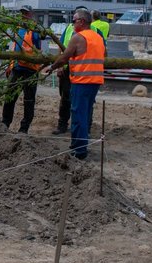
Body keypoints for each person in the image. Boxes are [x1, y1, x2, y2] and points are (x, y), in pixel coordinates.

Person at [42, 9, 105, 160]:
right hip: (95, 82)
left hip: (81, 81)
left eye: (74, 20)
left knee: (78, 116)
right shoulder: (97, 37)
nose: (72, 23)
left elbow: (64, 58)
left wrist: (51, 68)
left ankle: (80, 151)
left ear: (82, 21)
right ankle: (76, 145)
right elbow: (103, 55)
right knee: (85, 113)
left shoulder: (78, 37)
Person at [1, 5, 42, 134]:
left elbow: (37, 49)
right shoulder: (18, 28)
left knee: (28, 100)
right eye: (22, 13)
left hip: (30, 69)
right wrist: (10, 65)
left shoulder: (34, 29)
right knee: (9, 97)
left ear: (31, 14)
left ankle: (24, 128)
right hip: (17, 68)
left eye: (26, 13)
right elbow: (15, 48)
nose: (23, 15)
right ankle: (5, 123)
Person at [54, 6, 88, 135]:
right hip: (68, 68)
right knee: (65, 97)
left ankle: (84, 128)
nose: (74, 22)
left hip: (84, 70)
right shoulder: (69, 28)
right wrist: (60, 66)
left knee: (83, 100)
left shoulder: (94, 30)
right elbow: (61, 46)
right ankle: (62, 125)